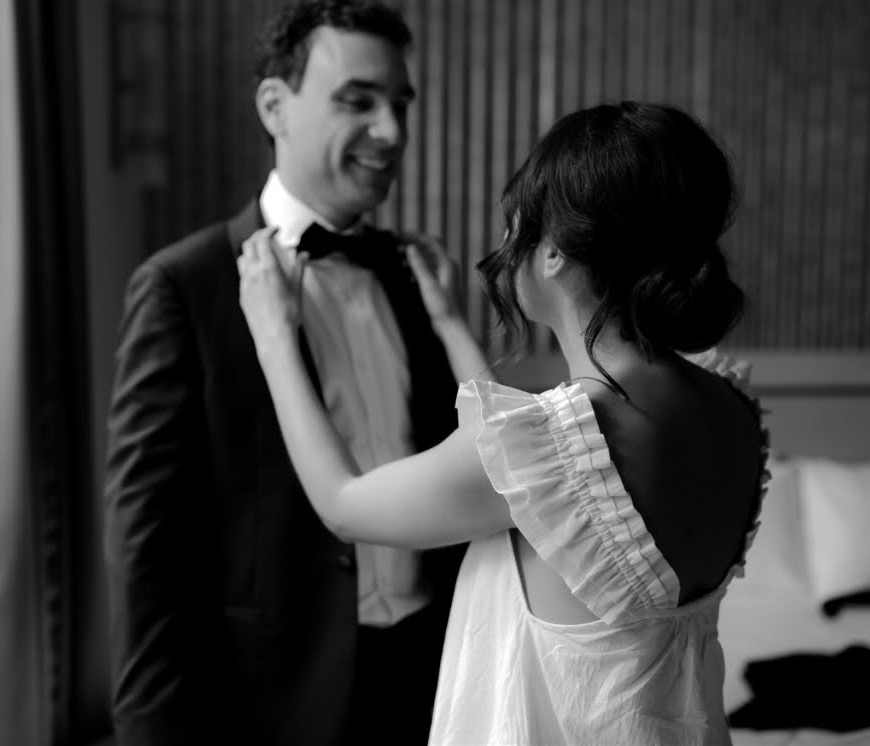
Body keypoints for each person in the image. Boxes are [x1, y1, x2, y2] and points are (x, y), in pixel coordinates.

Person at [237, 101, 771, 745]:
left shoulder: (562, 442)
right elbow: (523, 470)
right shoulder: (730, 407)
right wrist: (447, 323)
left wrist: (274, 337)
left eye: (514, 223)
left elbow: (345, 505)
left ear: (553, 254)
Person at [101, 2, 465, 745]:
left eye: (399, 104)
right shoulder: (183, 287)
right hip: (267, 701)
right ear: (274, 105)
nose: (392, 132)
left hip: (432, 679)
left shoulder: (417, 276)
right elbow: (147, 550)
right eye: (357, 101)